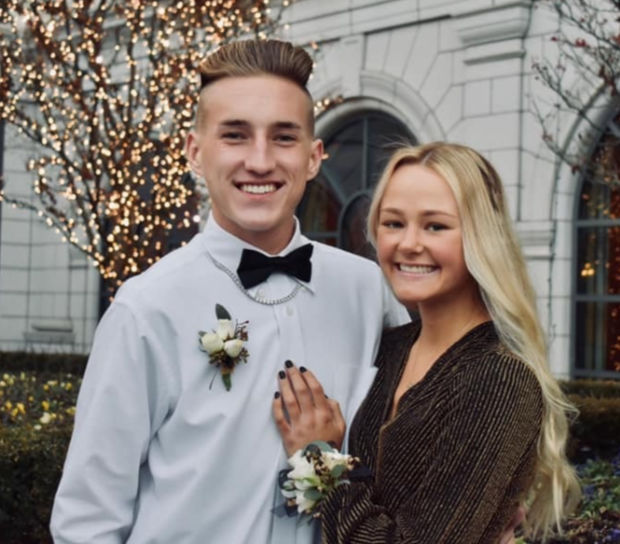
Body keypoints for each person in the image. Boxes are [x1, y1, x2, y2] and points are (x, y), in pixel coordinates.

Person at [50, 39, 409, 544]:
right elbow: (87, 522)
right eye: (235, 136)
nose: (259, 162)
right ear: (196, 152)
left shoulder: (369, 291)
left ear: (313, 157)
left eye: (283, 138)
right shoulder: (146, 309)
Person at [273, 142, 582, 543]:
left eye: (435, 225)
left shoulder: (498, 379)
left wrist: (319, 460)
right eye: (393, 223)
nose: (408, 244)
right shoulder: (390, 348)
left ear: (479, 236)